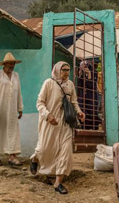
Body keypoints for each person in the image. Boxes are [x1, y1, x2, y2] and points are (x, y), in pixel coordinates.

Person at [30, 61, 85, 194]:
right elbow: (40, 103)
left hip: (65, 124)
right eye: (64, 70)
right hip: (50, 122)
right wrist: (47, 115)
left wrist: (79, 112)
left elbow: (74, 102)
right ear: (57, 70)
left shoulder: (70, 84)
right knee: (45, 148)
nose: (66, 72)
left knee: (66, 151)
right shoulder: (48, 83)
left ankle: (58, 183)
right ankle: (35, 158)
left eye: (68, 70)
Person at [0, 52, 24, 166]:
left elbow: (19, 93)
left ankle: (12, 157)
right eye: (10, 64)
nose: (12, 66)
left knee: (13, 131)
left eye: (13, 64)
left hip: (12, 110)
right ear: (4, 64)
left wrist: (19, 108)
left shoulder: (16, 76)